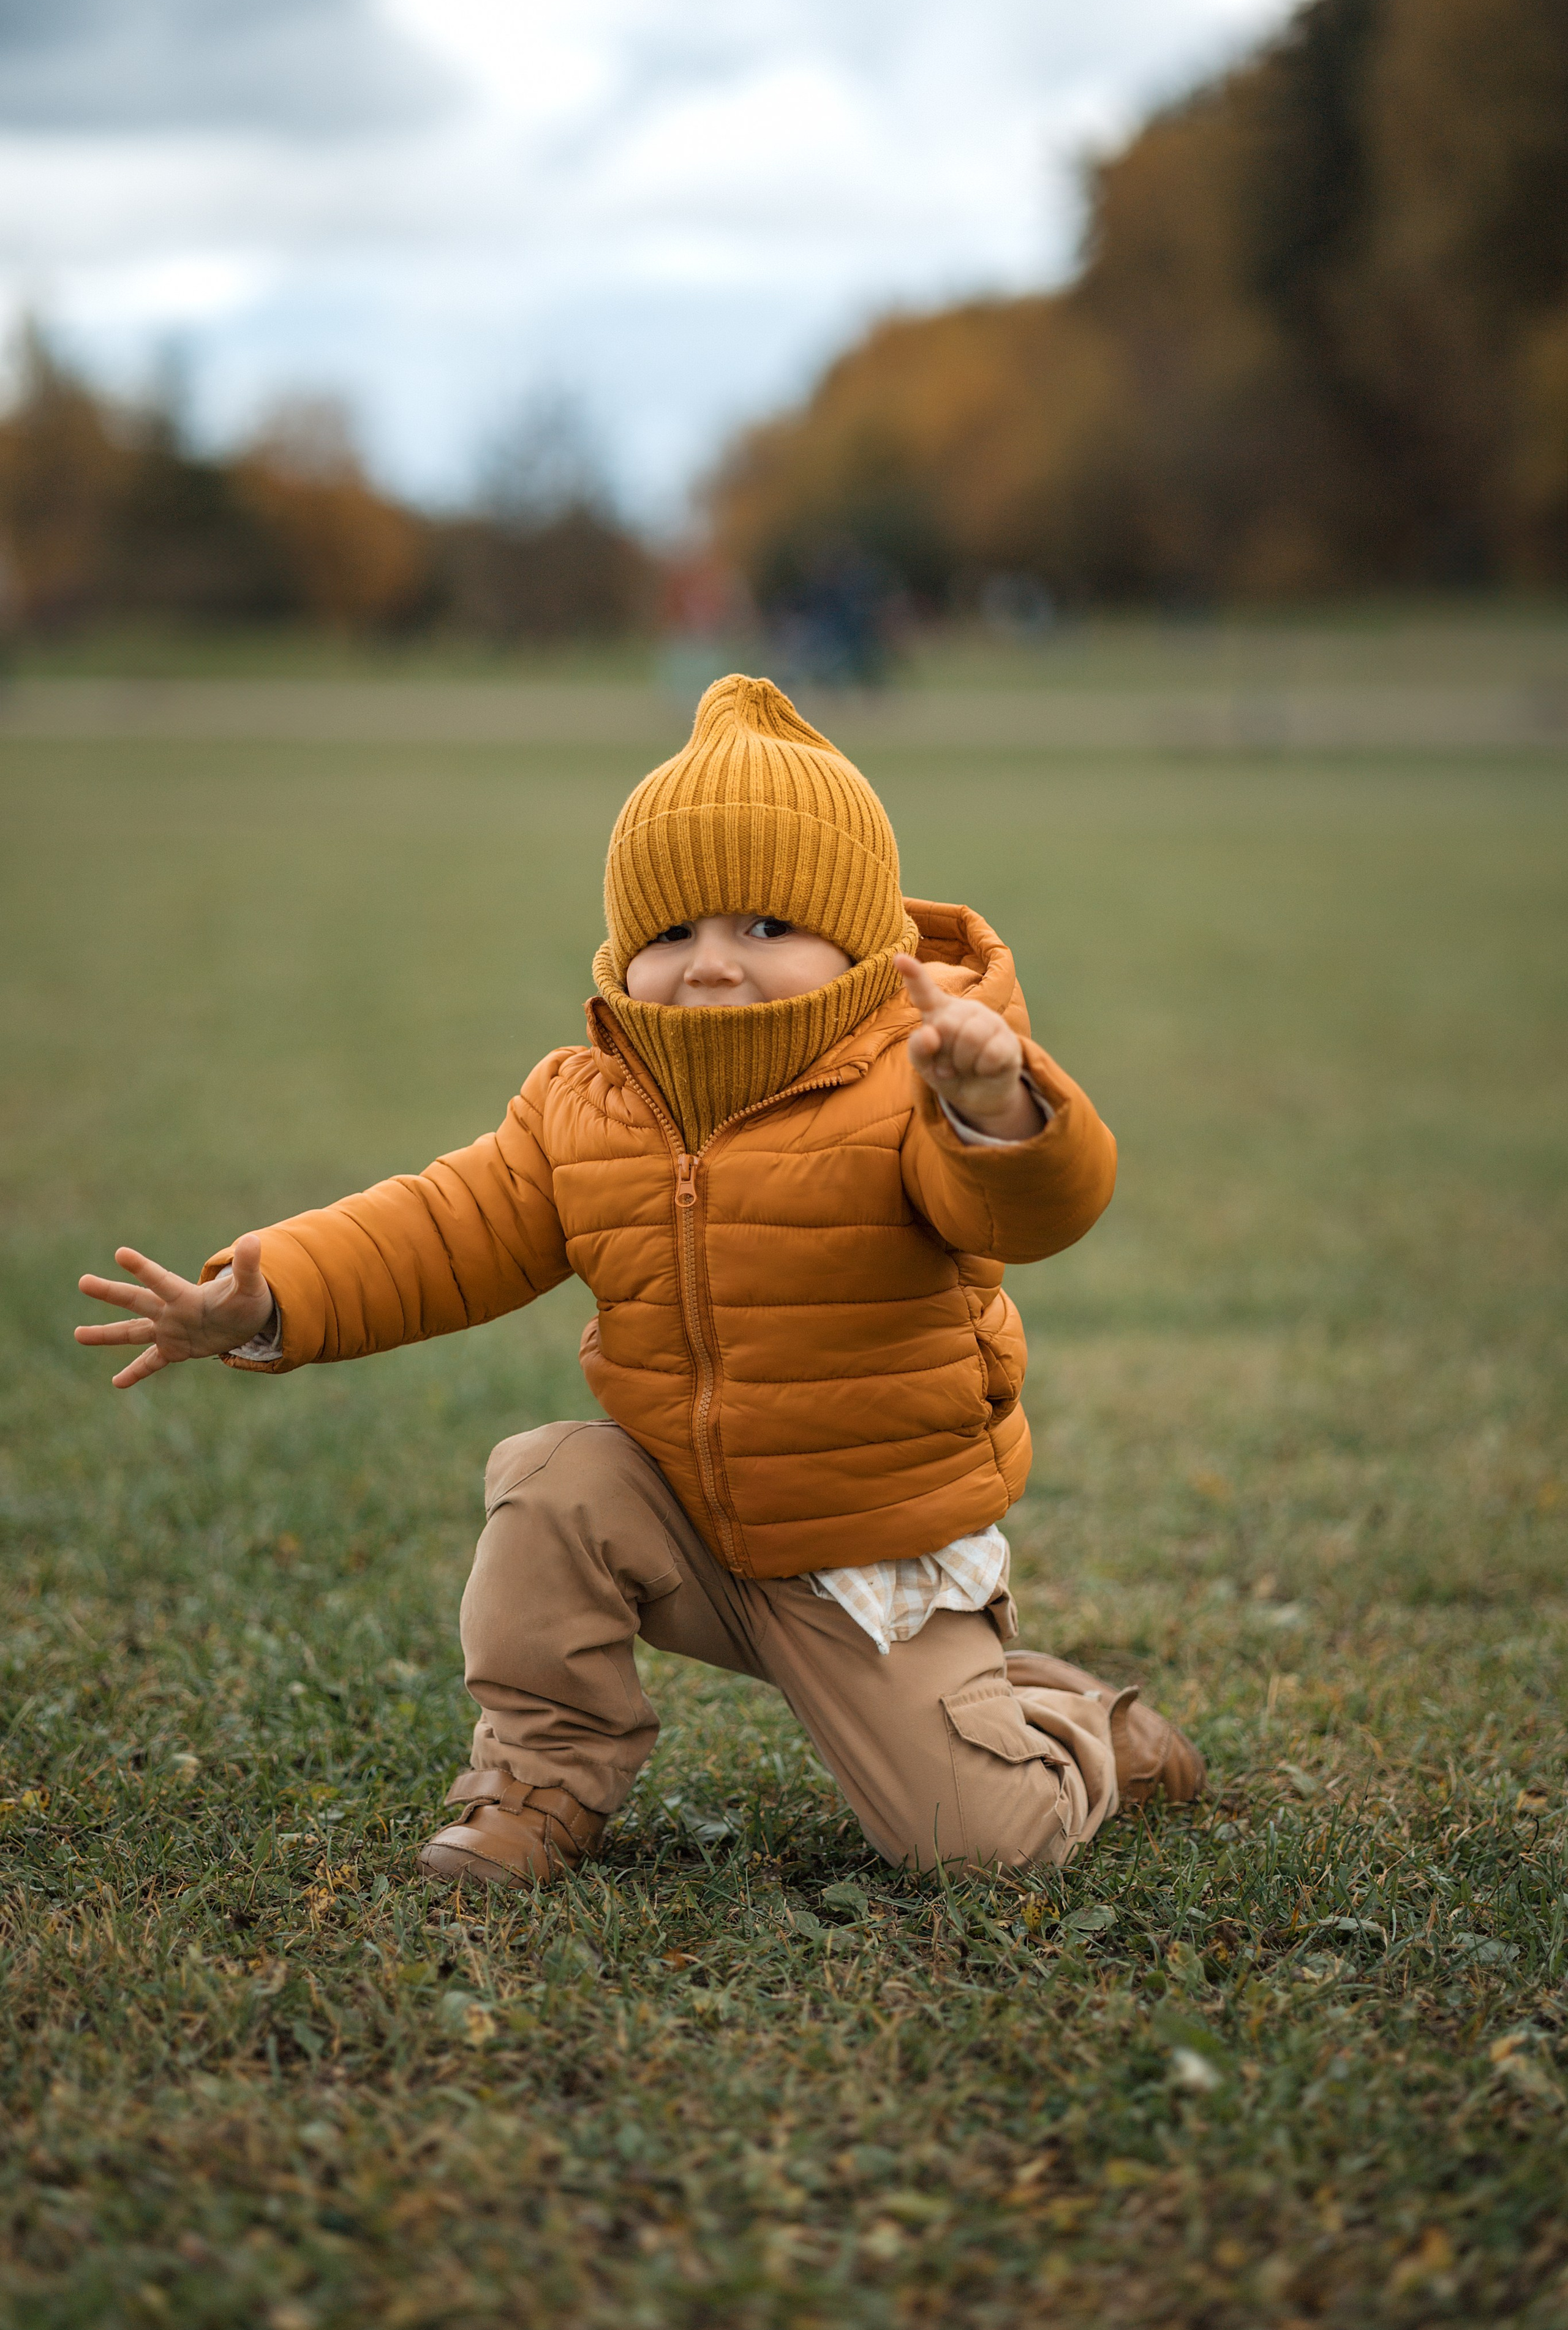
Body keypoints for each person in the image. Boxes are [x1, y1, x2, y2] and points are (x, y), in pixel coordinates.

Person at [75, 675, 1204, 1887]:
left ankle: (1079, 1727)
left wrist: (992, 1107)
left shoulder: (905, 1088)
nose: (710, 965)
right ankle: (536, 1786)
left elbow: (1029, 1208)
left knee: (980, 1850)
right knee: (552, 1479)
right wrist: (271, 1296)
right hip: (691, 1525)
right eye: (672, 932)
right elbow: (443, 1227)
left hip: (870, 1560)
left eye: (763, 927)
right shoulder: (584, 1104)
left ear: (857, 941)